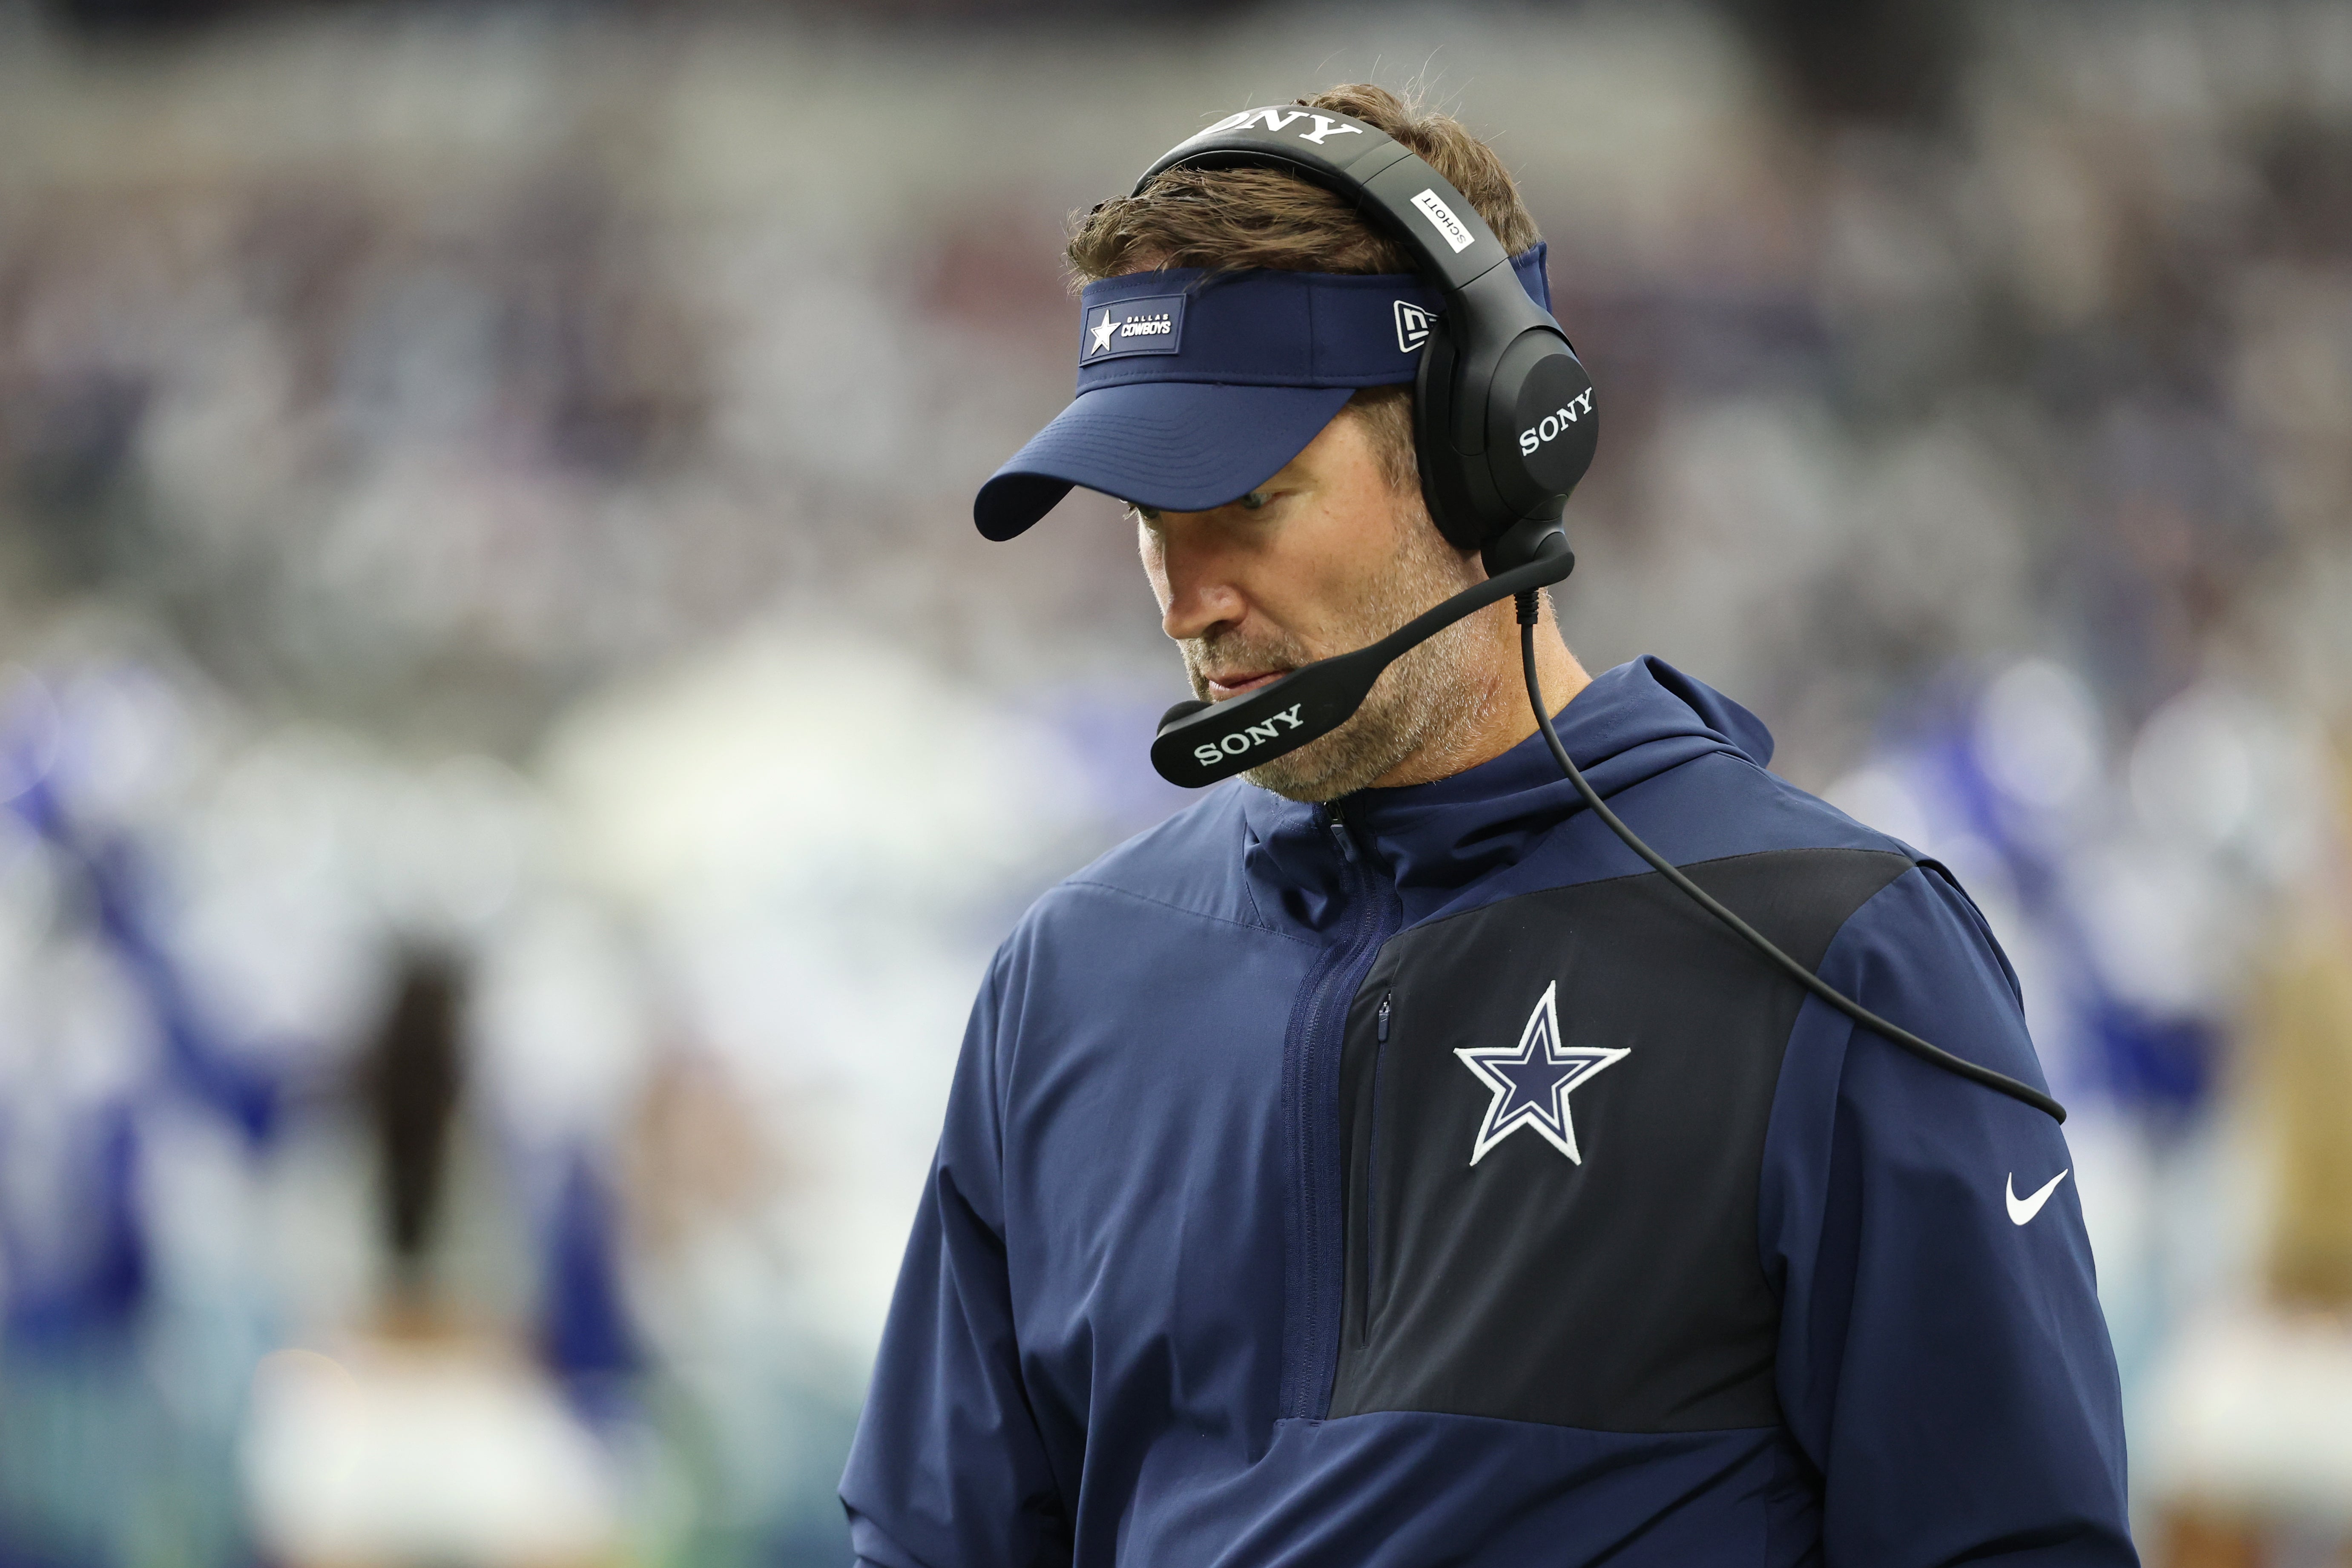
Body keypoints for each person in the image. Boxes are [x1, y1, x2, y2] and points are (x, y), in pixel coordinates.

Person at [841, 83, 2136, 1567]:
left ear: (1488, 451)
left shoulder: (1836, 953)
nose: (1186, 598)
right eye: (1146, 515)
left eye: (1247, 498)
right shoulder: (1067, 977)